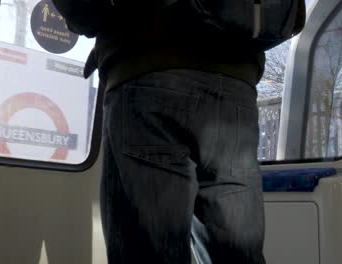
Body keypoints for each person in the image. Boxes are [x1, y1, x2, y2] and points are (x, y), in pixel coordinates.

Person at [54, 1, 266, 263]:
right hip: (235, 82)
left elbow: (83, 10)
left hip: (147, 64)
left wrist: (84, 17)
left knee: (148, 249)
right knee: (236, 252)